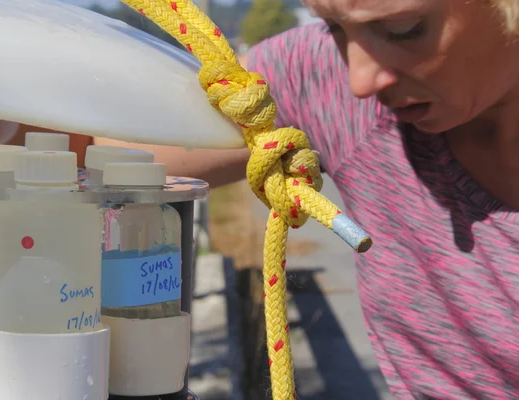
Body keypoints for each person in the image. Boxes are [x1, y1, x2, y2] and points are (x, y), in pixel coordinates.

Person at [99, 0, 519, 398]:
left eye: (403, 30)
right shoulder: (322, 71)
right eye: (334, 27)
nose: (360, 81)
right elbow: (101, 146)